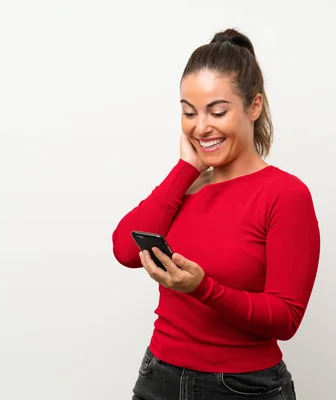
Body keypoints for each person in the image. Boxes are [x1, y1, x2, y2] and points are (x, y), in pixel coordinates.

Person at [112, 28, 321, 400]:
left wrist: (203, 289)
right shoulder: (185, 187)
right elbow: (126, 251)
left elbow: (286, 317)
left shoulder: (285, 195)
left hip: (243, 388)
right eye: (189, 113)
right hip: (158, 377)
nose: (201, 127)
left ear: (254, 106)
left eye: (217, 111)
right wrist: (184, 171)